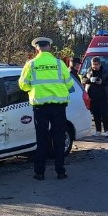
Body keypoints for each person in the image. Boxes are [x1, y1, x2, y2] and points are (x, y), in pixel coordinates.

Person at [18, 37, 74, 180]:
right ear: (49, 47)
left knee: (42, 139)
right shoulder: (59, 63)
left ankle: (39, 173)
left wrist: (34, 88)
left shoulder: (31, 64)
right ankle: (60, 172)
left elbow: (23, 85)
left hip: (40, 107)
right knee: (59, 139)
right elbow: (69, 84)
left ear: (36, 48)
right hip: (58, 106)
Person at [83, 56, 108, 137]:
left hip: (103, 97)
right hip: (92, 97)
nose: (94, 66)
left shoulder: (105, 71)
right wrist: (89, 80)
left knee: (105, 114)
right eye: (93, 64)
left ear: (99, 64)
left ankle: (107, 131)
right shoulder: (89, 71)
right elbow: (83, 80)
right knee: (96, 115)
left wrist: (102, 82)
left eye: (96, 64)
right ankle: (98, 131)